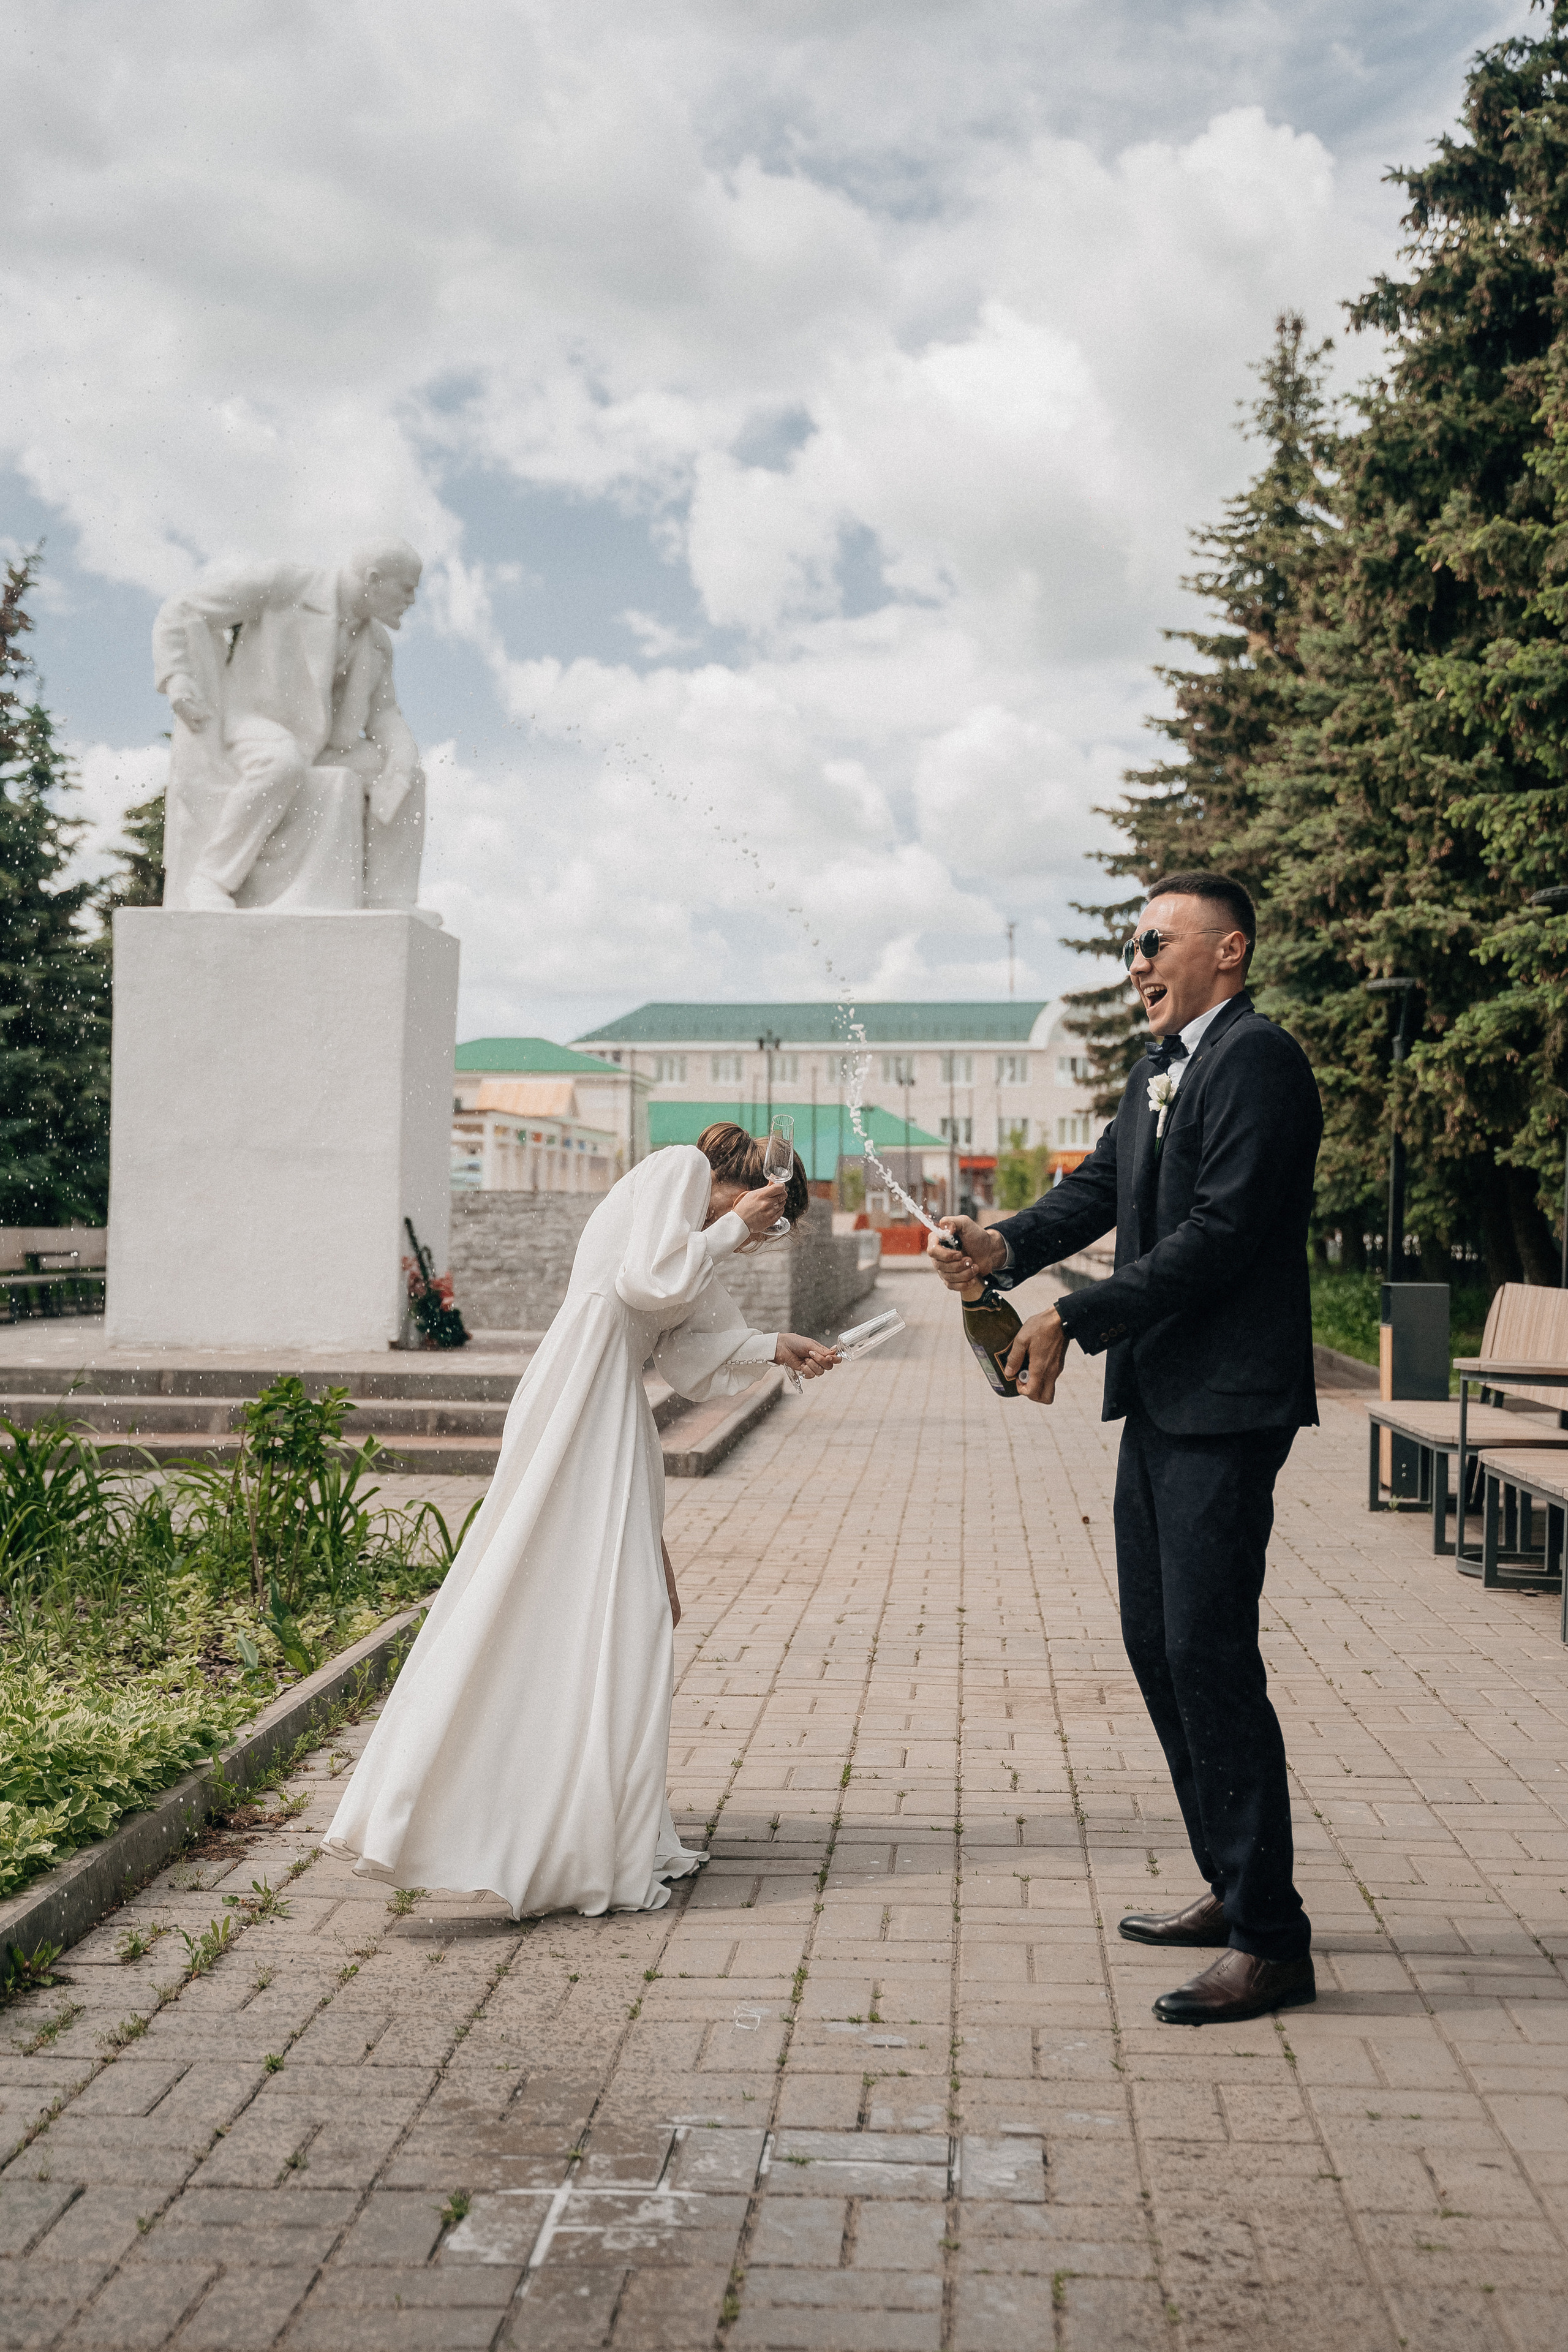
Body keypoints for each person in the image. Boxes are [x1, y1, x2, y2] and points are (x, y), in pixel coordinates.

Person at [929, 871, 1322, 2026]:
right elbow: (1103, 1189)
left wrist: (1076, 1317)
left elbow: (1221, 1235)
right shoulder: (1158, 1070)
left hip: (1226, 1403)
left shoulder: (1257, 1060)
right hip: (1162, 1401)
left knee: (1209, 1652)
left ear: (1229, 953)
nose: (1138, 960)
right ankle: (1230, 1881)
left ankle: (1270, 1938)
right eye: (1132, 943)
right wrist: (1001, 1247)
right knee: (1158, 1645)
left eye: (1158, 941)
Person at [327, 1124, 837, 1919]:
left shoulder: (690, 1233)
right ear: (752, 1184)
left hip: (611, 1410)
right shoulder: (679, 1170)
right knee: (544, 1598)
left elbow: (691, 1353)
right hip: (577, 1400)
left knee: (623, 1615)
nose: (755, 1242)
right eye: (769, 1224)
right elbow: (647, 1283)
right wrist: (739, 1223)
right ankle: (490, 1815)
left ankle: (588, 1826)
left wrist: (777, 1346)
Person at [151, 538, 427, 912]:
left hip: (321, 746)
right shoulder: (285, 585)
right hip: (255, 724)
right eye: (407, 588)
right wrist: (178, 677)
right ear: (375, 579)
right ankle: (211, 879)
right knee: (281, 762)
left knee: (404, 776)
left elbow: (384, 714)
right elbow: (183, 610)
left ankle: (389, 900)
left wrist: (403, 757)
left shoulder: (377, 643)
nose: (412, 599)